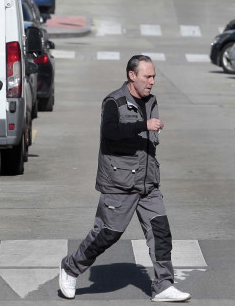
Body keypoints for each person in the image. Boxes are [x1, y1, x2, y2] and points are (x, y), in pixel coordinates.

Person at [60, 55, 191, 303]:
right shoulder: (114, 102)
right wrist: (144, 125)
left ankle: (163, 285)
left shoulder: (151, 101)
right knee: (107, 234)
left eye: (153, 77)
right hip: (119, 184)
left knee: (161, 232)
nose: (152, 82)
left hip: (147, 182)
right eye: (147, 77)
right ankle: (70, 268)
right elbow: (110, 133)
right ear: (132, 76)